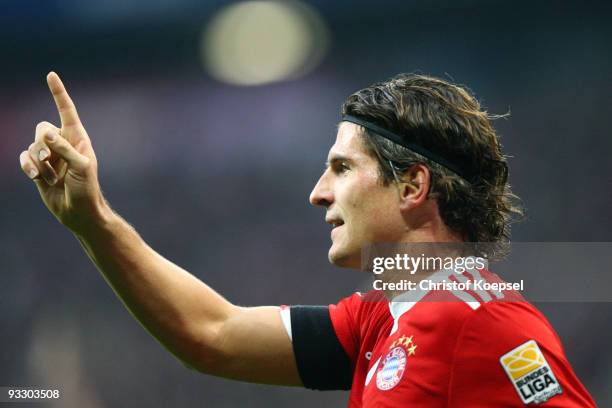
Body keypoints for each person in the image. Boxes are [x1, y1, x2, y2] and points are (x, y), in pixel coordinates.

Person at [19, 72, 595, 407]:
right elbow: (211, 334)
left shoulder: (484, 323)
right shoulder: (380, 319)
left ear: (413, 185)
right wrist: (92, 220)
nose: (319, 193)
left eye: (342, 168)